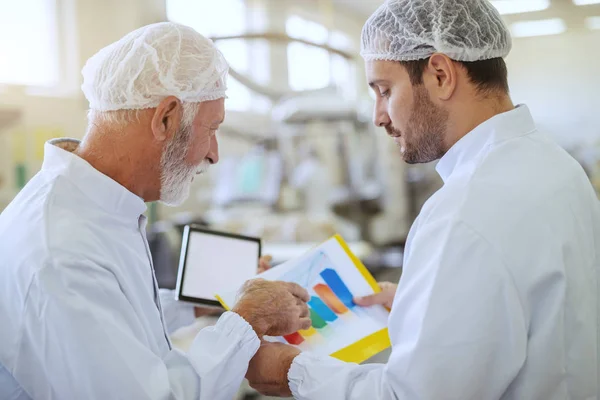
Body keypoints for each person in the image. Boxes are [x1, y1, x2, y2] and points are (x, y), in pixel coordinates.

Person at [245, 0, 600, 398]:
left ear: (441, 74)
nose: (379, 116)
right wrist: (431, 305)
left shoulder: (464, 212)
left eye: (384, 90)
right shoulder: (559, 168)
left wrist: (290, 370)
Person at [0, 22, 312, 400]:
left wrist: (195, 303)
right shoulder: (62, 251)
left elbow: (114, 325)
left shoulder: (90, 207)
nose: (214, 153)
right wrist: (248, 318)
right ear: (165, 117)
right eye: (211, 129)